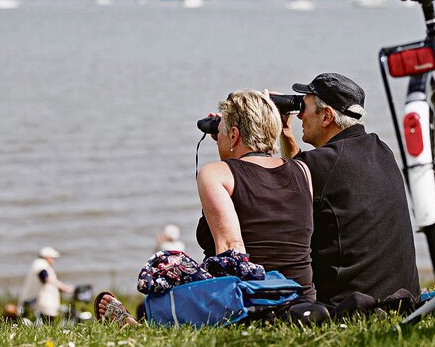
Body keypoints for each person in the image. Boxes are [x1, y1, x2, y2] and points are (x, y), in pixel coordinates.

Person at [96, 89, 316, 325]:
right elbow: (260, 180)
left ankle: (136, 328)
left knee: (165, 266)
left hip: (253, 301)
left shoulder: (215, 174)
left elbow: (232, 249)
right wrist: (229, 143)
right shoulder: (302, 170)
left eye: (220, 131)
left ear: (234, 134)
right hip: (299, 296)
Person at [279, 73, 420, 307]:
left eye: (304, 107)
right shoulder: (382, 151)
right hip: (402, 298)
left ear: (326, 116)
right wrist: (285, 134)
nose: (300, 115)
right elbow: (307, 172)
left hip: (349, 305)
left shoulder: (320, 164)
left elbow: (271, 188)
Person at [18, 246, 74, 323]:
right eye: (53, 258)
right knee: (47, 321)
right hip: (44, 302)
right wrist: (64, 287)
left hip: (37, 301)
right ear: (47, 257)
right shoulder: (41, 265)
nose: (53, 260)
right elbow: (46, 278)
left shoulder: (36, 264)